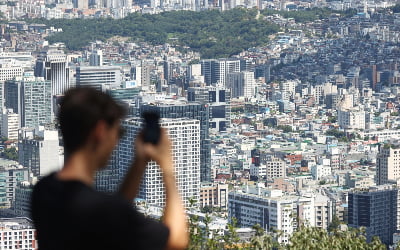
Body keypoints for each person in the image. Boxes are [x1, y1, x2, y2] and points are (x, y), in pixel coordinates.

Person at [31, 87, 189, 250]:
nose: (116, 141)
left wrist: (139, 163)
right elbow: (176, 241)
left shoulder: (44, 191)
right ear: (100, 131)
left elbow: (117, 214)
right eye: (119, 132)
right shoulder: (101, 210)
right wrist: (168, 168)